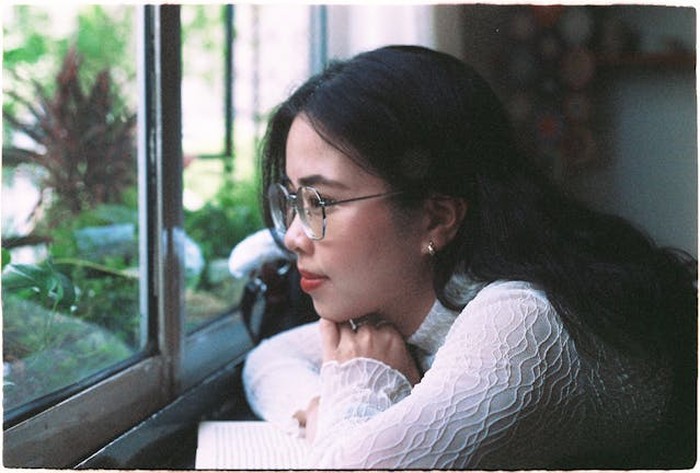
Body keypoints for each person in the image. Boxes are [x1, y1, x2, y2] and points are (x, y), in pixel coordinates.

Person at [241, 45, 697, 469]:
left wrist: (363, 384)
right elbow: (269, 361)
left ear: (437, 219)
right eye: (293, 200)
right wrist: (322, 409)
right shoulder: (404, 308)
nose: (293, 237)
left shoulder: (520, 321)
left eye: (321, 202)